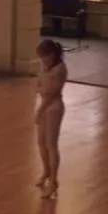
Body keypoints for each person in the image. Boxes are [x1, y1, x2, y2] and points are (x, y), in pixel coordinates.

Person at [34, 39, 67, 200]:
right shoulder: (45, 67)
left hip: (54, 108)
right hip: (45, 106)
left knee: (51, 144)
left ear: (52, 55)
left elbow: (50, 93)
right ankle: (46, 172)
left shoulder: (59, 70)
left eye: (44, 56)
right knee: (41, 142)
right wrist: (42, 89)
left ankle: (53, 180)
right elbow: (38, 87)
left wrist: (39, 110)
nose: (42, 60)